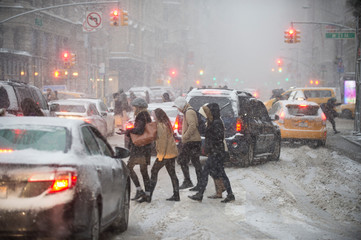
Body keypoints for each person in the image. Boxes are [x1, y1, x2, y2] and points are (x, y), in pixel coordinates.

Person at [188, 103, 235, 203]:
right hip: (215, 151)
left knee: (206, 172)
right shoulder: (213, 122)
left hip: (216, 152)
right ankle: (229, 194)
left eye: (207, 111)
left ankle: (200, 194)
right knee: (219, 173)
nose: (206, 113)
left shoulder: (216, 122)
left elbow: (217, 137)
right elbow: (208, 134)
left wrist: (212, 149)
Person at [138, 108, 180, 203]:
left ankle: (149, 196)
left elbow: (162, 142)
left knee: (154, 171)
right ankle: (176, 194)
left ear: (158, 116)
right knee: (172, 173)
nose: (153, 117)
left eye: (154, 115)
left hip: (165, 154)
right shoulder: (166, 124)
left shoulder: (161, 126)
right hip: (171, 153)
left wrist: (160, 156)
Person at [125, 98, 152, 202]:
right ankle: (147, 194)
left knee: (129, 168)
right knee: (143, 171)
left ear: (139, 107)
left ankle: (139, 190)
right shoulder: (146, 115)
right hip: (145, 147)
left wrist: (129, 131)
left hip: (140, 148)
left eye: (134, 107)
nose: (133, 108)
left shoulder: (141, 116)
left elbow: (139, 130)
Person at [173, 97, 202, 191]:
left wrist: (185, 136)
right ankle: (199, 183)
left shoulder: (189, 112)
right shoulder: (188, 111)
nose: (178, 109)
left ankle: (189, 181)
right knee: (195, 162)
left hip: (191, 141)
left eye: (178, 107)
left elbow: (192, 125)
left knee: (182, 160)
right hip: (193, 141)